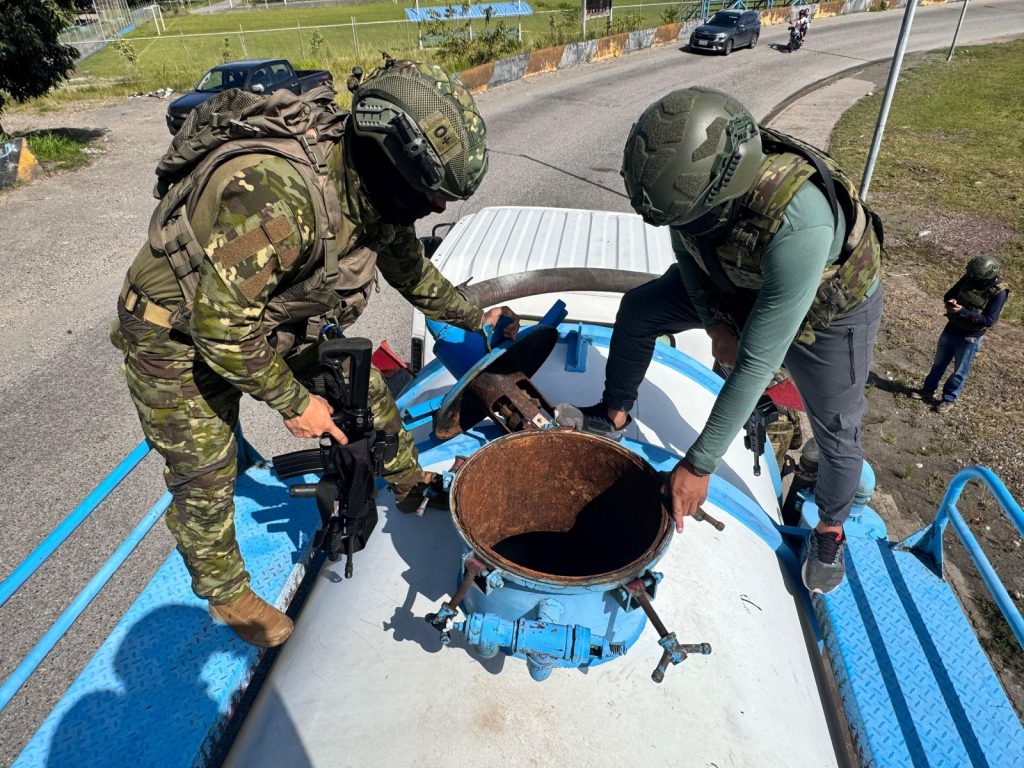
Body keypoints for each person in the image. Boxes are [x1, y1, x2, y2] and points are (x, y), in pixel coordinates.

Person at [111, 59, 518, 648]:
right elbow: (219, 330)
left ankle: (409, 483)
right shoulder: (279, 202)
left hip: (260, 321)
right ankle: (226, 594)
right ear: (391, 163)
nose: (433, 209)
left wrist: (476, 318)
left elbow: (415, 275)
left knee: (366, 391)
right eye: (429, 194)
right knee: (205, 466)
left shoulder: (372, 197)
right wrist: (295, 403)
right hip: (174, 333)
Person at [559, 87, 883, 595]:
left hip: (827, 306)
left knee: (839, 427)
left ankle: (830, 529)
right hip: (738, 278)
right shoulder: (691, 197)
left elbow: (757, 363)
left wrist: (698, 464)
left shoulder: (801, 220)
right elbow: (689, 255)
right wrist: (715, 324)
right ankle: (615, 413)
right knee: (640, 310)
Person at [909, 255, 1008, 413]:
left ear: (987, 276)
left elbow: (989, 321)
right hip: (951, 328)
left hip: (970, 338)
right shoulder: (970, 277)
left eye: (976, 279)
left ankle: (948, 399)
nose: (972, 280)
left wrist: (962, 312)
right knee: (938, 364)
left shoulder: (999, 292)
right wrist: (951, 302)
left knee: (959, 372)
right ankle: (927, 391)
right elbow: (949, 294)